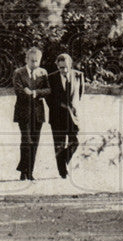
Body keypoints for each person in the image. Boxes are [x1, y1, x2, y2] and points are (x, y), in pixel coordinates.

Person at [12, 46, 50, 181]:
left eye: (37, 61)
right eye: (32, 60)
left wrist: (34, 92)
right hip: (23, 112)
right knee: (26, 141)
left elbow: (48, 90)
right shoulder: (19, 73)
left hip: (38, 113)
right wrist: (26, 92)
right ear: (26, 59)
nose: (34, 63)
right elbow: (18, 90)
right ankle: (23, 170)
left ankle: (29, 171)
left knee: (35, 142)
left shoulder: (43, 73)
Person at [47, 53, 85, 179]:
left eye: (66, 67)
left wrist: (72, 108)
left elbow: (80, 93)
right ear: (57, 66)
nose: (64, 70)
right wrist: (60, 106)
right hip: (57, 115)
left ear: (70, 65)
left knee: (75, 142)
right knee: (59, 144)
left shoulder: (78, 75)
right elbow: (49, 99)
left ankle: (63, 159)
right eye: (61, 67)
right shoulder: (51, 78)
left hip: (72, 115)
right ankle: (63, 171)